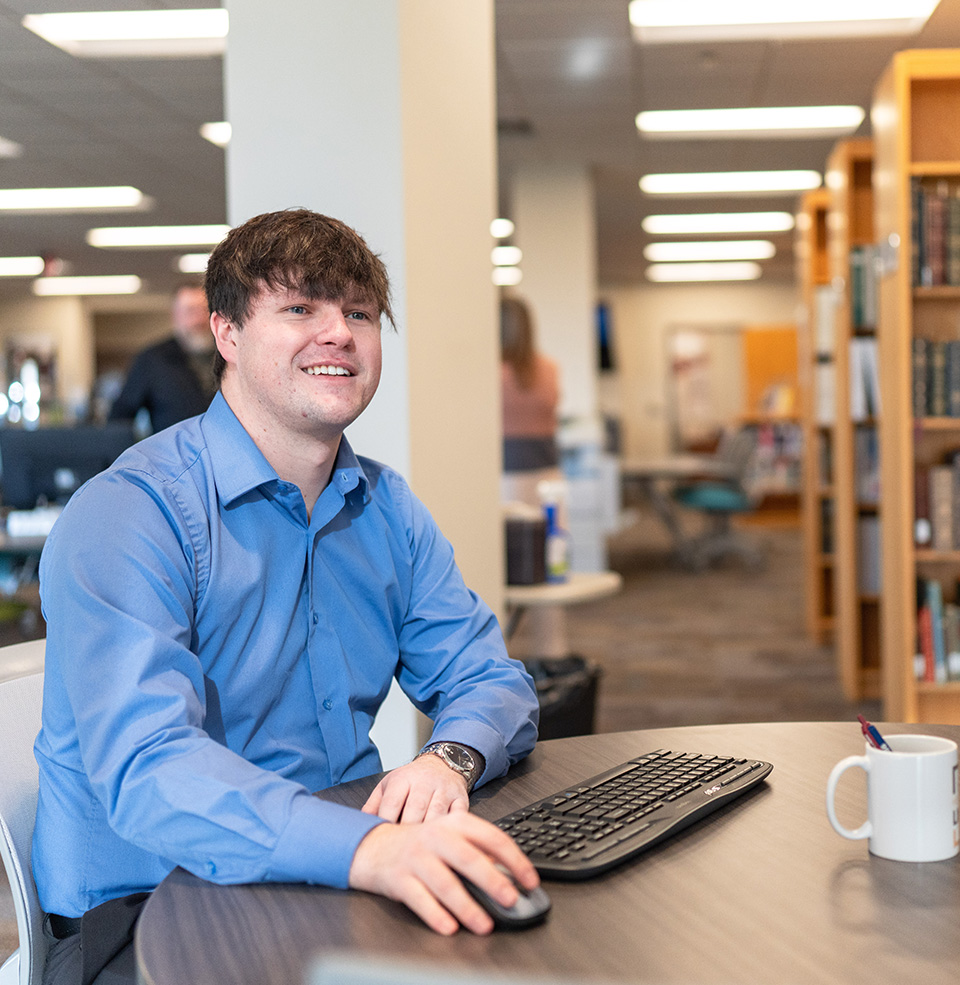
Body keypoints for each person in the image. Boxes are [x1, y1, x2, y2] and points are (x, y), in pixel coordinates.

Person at [34, 210, 541, 985]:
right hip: (150, 912)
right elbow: (149, 770)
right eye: (301, 308)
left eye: (360, 313)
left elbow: (492, 679)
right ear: (227, 333)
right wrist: (364, 847)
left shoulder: (386, 508)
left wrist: (449, 756)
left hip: (327, 871)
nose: (339, 332)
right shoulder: (134, 512)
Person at [107, 281, 217, 432]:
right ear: (175, 316)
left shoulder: (231, 355)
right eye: (190, 311)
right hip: (171, 453)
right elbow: (120, 416)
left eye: (204, 310)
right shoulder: (151, 359)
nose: (199, 320)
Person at [499, 296, 562, 508]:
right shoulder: (550, 368)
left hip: (505, 473)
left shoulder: (494, 374)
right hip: (547, 469)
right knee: (551, 536)